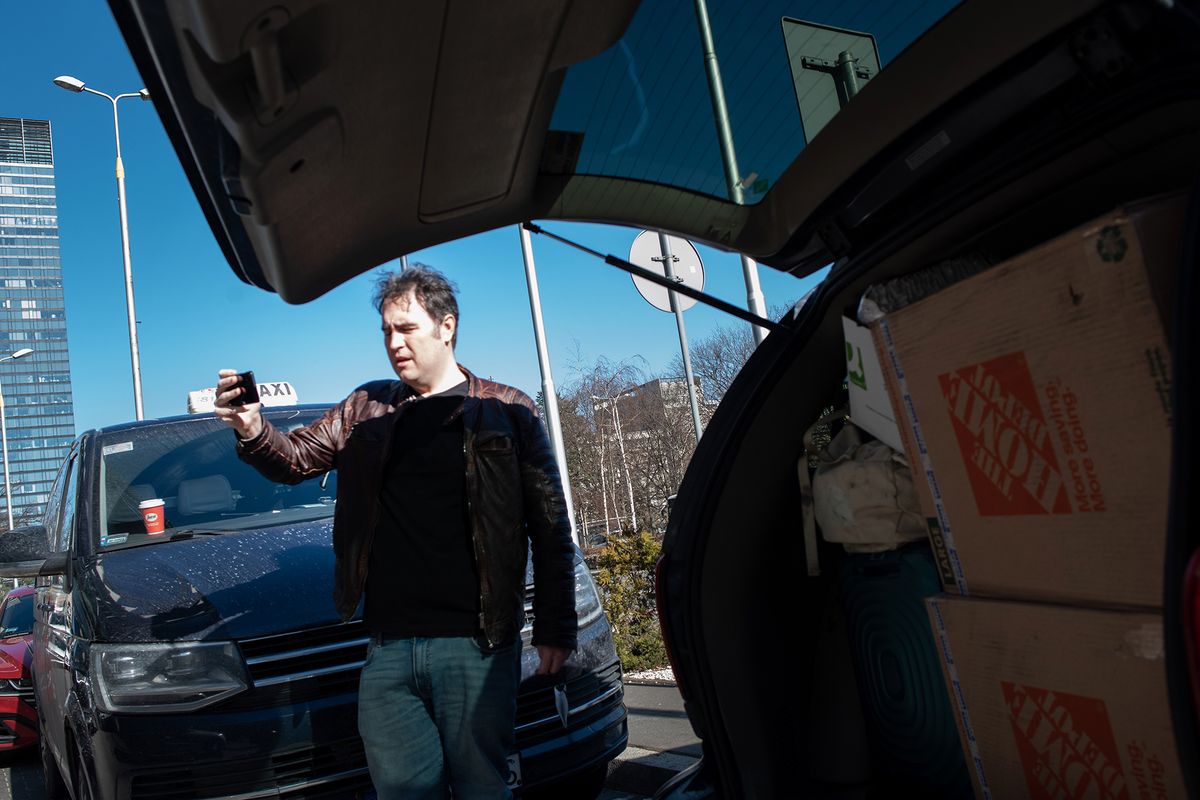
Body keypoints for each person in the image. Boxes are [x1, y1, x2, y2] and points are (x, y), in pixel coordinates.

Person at [213, 265, 577, 800]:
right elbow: (294, 459)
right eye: (386, 331)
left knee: (482, 788)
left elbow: (550, 526)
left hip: (474, 645)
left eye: (406, 328)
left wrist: (556, 626)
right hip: (388, 649)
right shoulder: (365, 407)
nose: (394, 343)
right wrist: (251, 427)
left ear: (446, 326)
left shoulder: (506, 410)